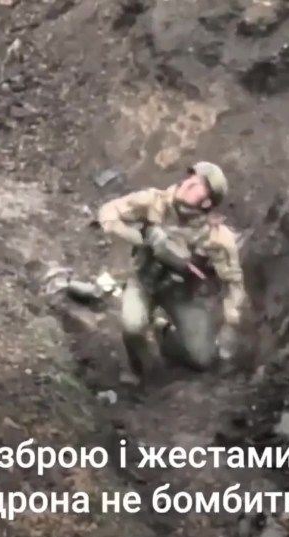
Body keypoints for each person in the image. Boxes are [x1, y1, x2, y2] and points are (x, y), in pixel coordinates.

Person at [97, 161, 247, 382]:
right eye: (190, 178)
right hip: (144, 281)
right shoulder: (154, 201)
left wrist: (231, 323)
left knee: (203, 359)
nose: (189, 184)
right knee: (132, 326)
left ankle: (163, 333)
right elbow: (108, 213)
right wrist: (140, 238)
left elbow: (233, 282)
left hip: (182, 294)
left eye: (198, 185)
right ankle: (140, 371)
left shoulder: (216, 237)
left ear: (207, 202)